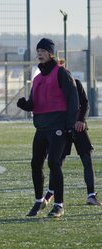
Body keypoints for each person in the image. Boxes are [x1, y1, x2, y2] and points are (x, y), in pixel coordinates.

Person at [17, 38, 78, 218]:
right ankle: (38, 201)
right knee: (36, 163)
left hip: (58, 126)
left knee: (54, 162)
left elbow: (73, 99)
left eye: (43, 50)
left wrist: (70, 126)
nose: (39, 53)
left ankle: (59, 205)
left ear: (51, 53)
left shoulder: (61, 73)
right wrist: (24, 105)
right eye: (38, 50)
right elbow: (33, 104)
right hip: (42, 127)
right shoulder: (36, 79)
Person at [45, 77, 100, 206]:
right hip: (62, 129)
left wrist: (81, 120)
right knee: (57, 162)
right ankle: (49, 193)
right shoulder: (52, 86)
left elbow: (85, 103)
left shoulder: (75, 83)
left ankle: (91, 195)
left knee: (87, 159)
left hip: (78, 127)